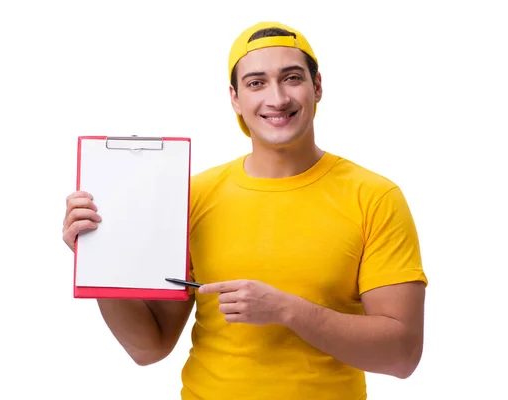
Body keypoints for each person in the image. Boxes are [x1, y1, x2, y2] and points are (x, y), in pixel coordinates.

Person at [62, 21, 428, 400]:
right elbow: (149, 348)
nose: (277, 98)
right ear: (235, 99)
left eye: (291, 78)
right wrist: (96, 261)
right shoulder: (194, 196)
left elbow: (402, 356)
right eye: (256, 83)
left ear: (317, 86)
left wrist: (287, 311)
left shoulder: (374, 197)